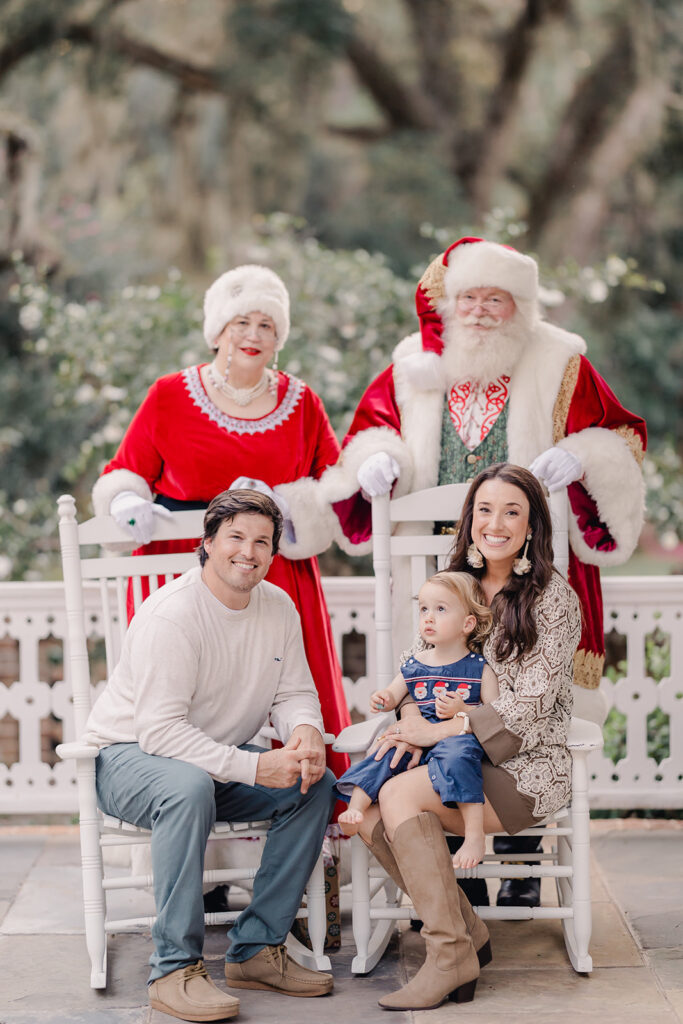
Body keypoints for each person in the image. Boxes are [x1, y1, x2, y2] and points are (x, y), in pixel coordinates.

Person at [320, 235, 646, 906]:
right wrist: (376, 461)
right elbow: (368, 431)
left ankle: (522, 859)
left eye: (494, 298)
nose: (478, 311)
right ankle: (446, 880)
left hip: (526, 570)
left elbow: (618, 438)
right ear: (447, 304)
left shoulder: (560, 362)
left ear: (518, 305)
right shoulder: (412, 365)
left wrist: (580, 459)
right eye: (466, 297)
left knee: (519, 694)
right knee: (443, 688)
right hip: (445, 576)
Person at [91, 264, 350, 794]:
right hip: (175, 573)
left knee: (290, 693)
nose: (254, 335)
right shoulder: (169, 394)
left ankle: (305, 831)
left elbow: (334, 490)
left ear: (280, 337)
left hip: (277, 574)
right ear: (218, 330)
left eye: (267, 325)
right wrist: (126, 503)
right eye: (242, 322)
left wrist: (286, 502)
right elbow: (125, 472)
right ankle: (183, 830)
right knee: (180, 701)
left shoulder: (303, 403)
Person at [83, 489, 336, 1022]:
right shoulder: (173, 615)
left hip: (211, 757)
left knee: (315, 783)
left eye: (262, 542)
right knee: (187, 785)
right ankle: (173, 968)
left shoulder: (278, 607)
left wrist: (307, 732)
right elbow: (160, 733)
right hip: (128, 757)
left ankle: (256, 949)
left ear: (273, 553)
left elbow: (293, 692)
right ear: (208, 544)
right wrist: (253, 765)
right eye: (236, 538)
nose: (249, 552)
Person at [349, 463, 581, 1010]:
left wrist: (439, 729)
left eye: (511, 511)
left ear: (532, 527)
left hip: (524, 766)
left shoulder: (553, 598)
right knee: (370, 814)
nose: (494, 523)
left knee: (397, 795)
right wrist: (407, 722)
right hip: (451, 756)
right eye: (484, 509)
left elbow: (531, 704)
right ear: (469, 518)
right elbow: (425, 668)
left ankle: (448, 954)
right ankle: (465, 934)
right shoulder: (453, 587)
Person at [335, 571, 498, 870]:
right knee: (383, 753)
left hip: (454, 741)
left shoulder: (479, 668)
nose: (428, 618)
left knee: (459, 757)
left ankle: (474, 834)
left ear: (468, 623)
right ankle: (354, 811)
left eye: (440, 609)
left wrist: (463, 709)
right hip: (416, 745)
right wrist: (382, 698)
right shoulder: (414, 665)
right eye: (424, 609)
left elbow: (494, 713)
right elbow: (394, 695)